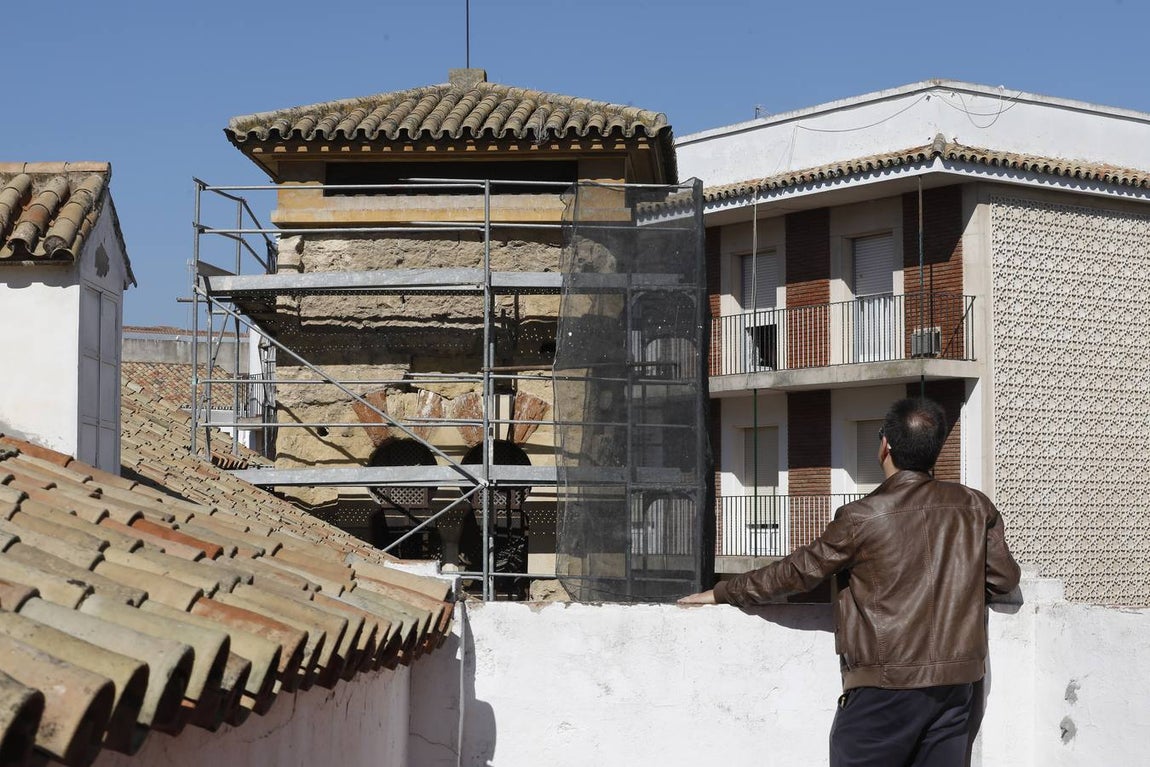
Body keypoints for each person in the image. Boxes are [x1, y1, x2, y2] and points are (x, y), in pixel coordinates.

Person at [679, 397, 1020, 767]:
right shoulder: (975, 506)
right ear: (935, 449)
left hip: (885, 686)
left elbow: (797, 572)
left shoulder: (862, 517)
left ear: (885, 445)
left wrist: (723, 591)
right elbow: (1003, 579)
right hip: (956, 684)